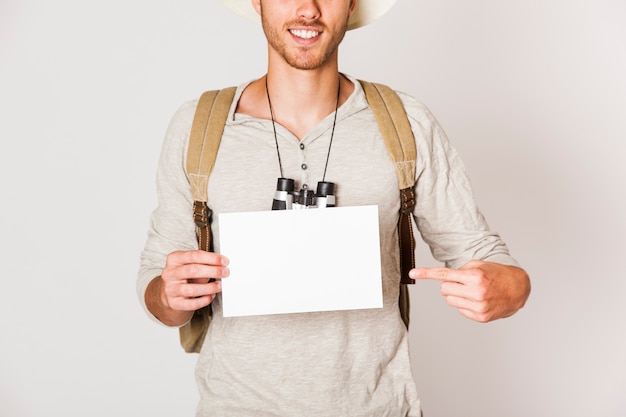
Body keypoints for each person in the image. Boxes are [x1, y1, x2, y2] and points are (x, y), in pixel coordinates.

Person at [137, 0, 531, 415]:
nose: (308, 9)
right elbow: (155, 282)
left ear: (351, 4)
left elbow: (490, 261)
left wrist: (507, 290)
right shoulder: (198, 128)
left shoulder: (406, 123)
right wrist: (170, 295)